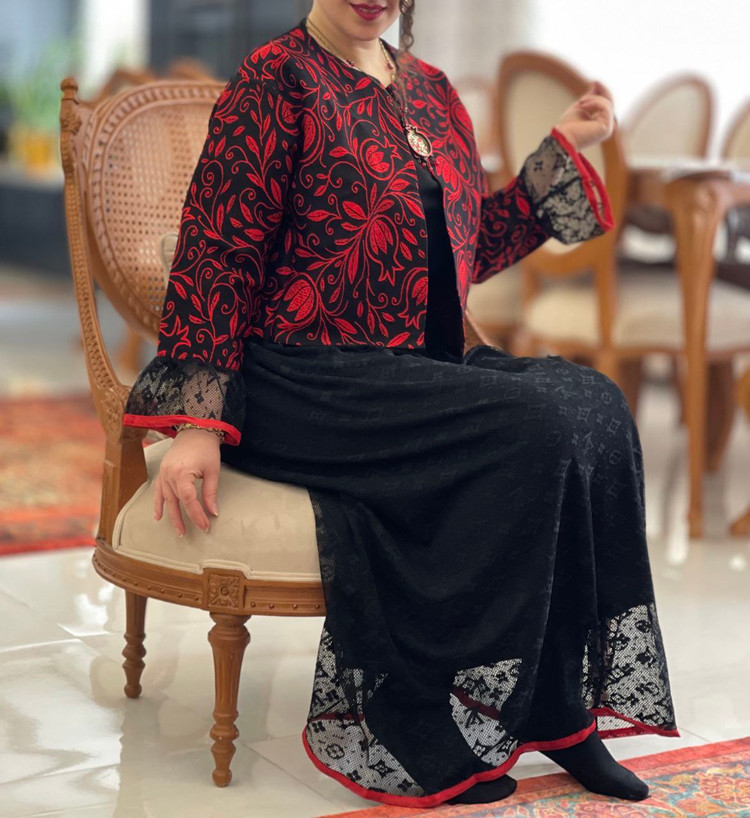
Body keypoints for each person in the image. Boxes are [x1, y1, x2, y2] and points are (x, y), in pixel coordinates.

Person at [122, 0, 679, 808]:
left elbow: (468, 245)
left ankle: (562, 710)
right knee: (533, 425)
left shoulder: (433, 92)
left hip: (411, 372)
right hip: (299, 375)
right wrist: (199, 422)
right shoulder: (275, 80)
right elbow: (218, 250)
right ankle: (409, 704)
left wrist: (558, 149)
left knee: (594, 402)